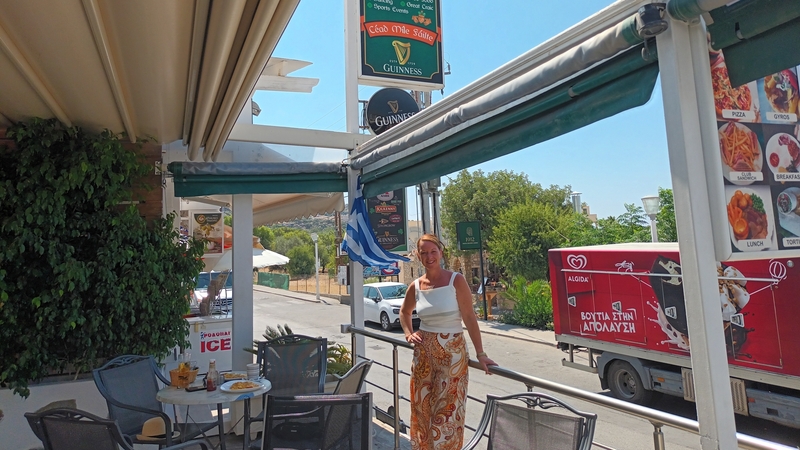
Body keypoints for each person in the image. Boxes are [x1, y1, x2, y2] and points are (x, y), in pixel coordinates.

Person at [400, 233, 497, 450]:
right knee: (422, 412)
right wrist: (408, 333)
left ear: (441, 253)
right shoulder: (416, 286)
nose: (429, 256)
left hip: (452, 355)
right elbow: (404, 312)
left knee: (447, 416)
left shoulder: (456, 280)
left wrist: (481, 354)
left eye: (433, 251)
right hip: (423, 356)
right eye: (423, 252)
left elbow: (470, 317)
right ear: (418, 255)